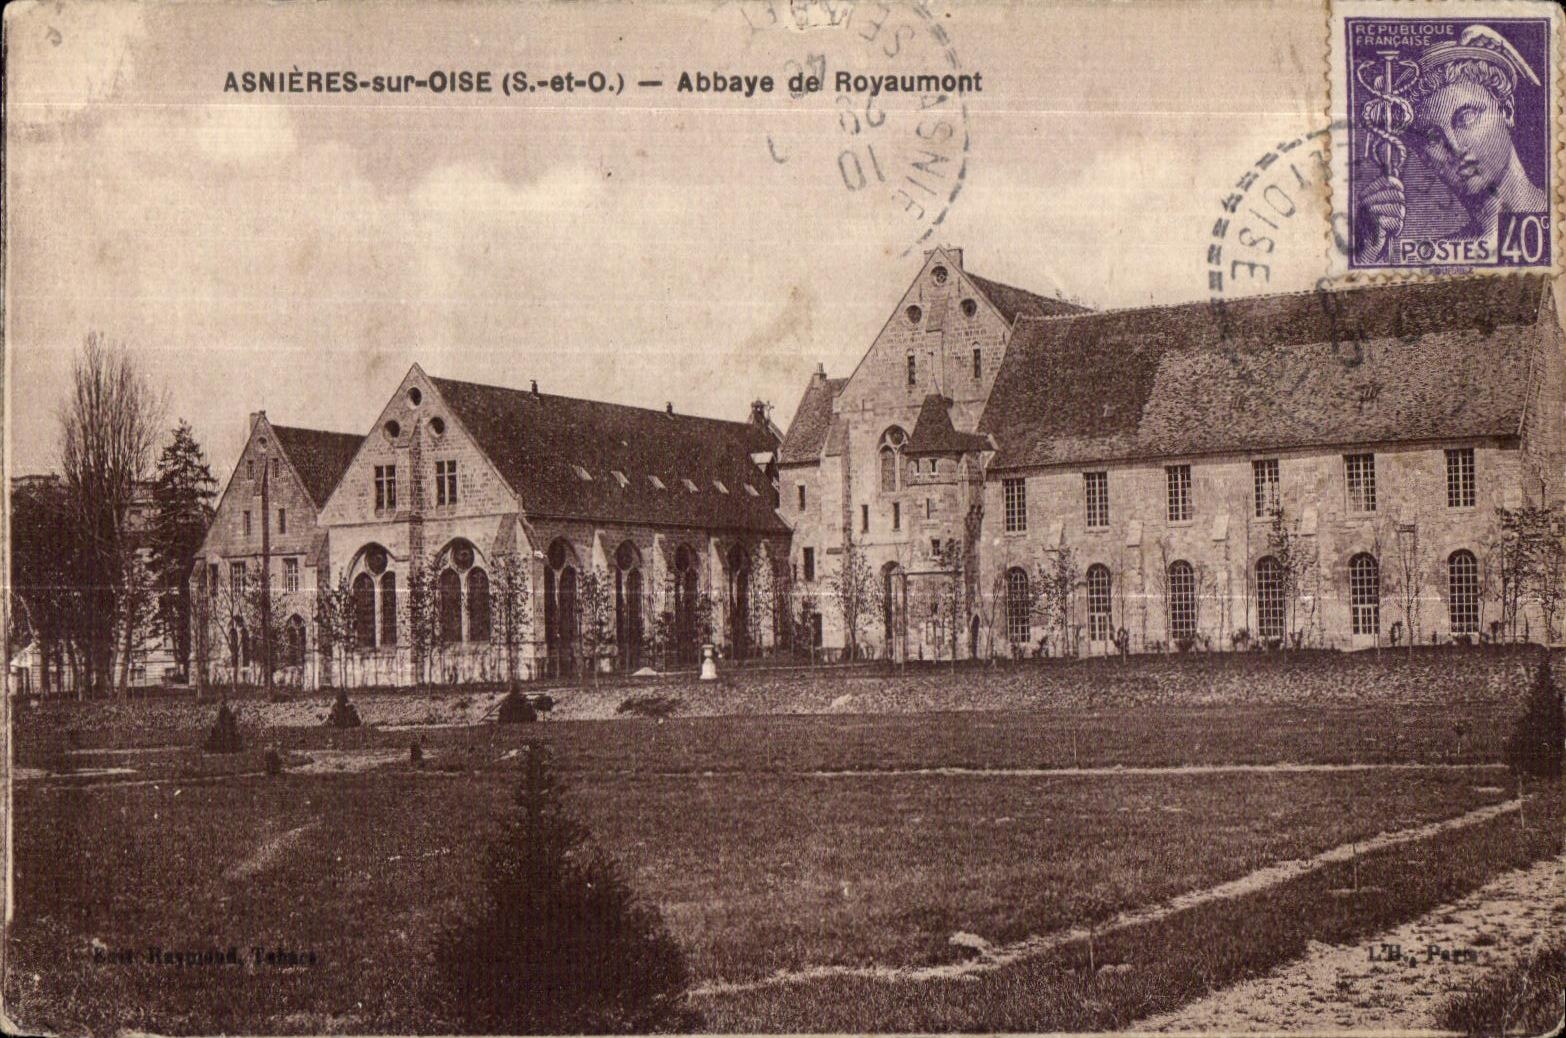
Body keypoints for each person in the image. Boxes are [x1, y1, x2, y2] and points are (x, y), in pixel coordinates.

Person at [1357, 25, 1545, 260]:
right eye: (1433, 137)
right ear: (1423, 156)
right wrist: (1368, 251)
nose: (1454, 148)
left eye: (1466, 117)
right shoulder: (1429, 258)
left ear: (1506, 111)